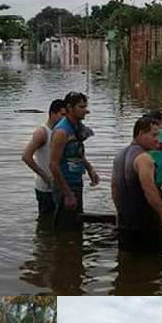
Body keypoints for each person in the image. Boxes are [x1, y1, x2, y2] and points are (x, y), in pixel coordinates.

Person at [112, 116, 162, 253]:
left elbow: (114, 189)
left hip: (125, 223)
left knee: (126, 266)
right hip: (145, 224)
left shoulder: (119, 156)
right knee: (152, 265)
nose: (157, 139)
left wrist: (121, 213)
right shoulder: (144, 159)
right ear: (140, 134)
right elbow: (149, 189)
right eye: (153, 135)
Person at [49, 91, 99, 228]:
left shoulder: (76, 127)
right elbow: (53, 165)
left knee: (76, 226)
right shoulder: (62, 132)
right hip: (65, 185)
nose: (86, 111)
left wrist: (90, 169)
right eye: (81, 107)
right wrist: (67, 194)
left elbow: (77, 153)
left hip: (76, 181)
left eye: (85, 107)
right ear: (70, 108)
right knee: (65, 229)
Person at [22, 99, 66, 216]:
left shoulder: (63, 132)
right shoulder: (42, 132)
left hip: (61, 186)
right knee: (46, 222)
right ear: (52, 114)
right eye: (62, 115)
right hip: (45, 189)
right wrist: (45, 177)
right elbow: (26, 156)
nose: (64, 119)